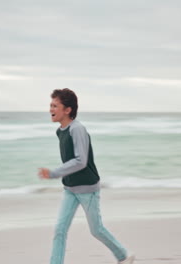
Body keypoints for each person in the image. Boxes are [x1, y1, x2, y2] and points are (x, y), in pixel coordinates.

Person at [38, 88, 135, 264]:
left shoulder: (78, 129)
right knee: (60, 229)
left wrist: (53, 173)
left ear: (67, 110)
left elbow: (81, 161)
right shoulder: (60, 130)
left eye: (55, 106)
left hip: (87, 188)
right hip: (70, 188)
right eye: (50, 105)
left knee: (96, 229)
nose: (51, 109)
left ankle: (123, 255)